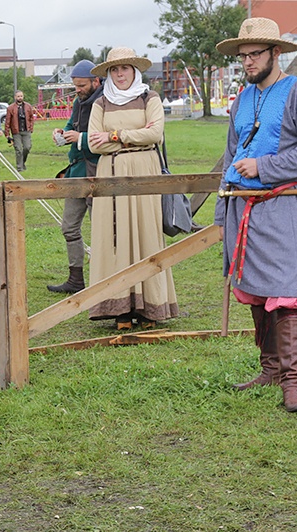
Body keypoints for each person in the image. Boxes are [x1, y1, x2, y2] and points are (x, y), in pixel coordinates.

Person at [214, 18, 297, 412]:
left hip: (282, 207)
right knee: (257, 292)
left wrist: (264, 166)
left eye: (254, 55)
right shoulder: (242, 100)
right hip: (242, 208)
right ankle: (271, 369)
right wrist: (220, 208)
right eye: (243, 56)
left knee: (288, 293)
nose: (247, 63)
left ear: (275, 53)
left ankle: (293, 384)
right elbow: (231, 155)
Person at [87, 47, 178, 330]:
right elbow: (93, 143)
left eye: (124, 68)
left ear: (134, 70)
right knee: (114, 237)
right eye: (114, 70)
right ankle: (120, 309)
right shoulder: (100, 103)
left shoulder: (148, 97)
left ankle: (151, 307)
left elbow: (155, 134)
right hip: (111, 173)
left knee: (145, 232)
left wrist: (115, 135)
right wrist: (134, 139)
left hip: (144, 172)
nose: (119, 74)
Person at [47, 60, 103, 294]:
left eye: (81, 85)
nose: (77, 89)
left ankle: (104, 279)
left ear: (95, 81)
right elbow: (71, 125)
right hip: (76, 172)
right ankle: (76, 279)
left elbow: (105, 138)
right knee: (69, 227)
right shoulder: (79, 102)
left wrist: (80, 137)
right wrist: (61, 133)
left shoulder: (105, 103)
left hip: (97, 173)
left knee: (102, 230)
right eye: (75, 85)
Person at [3, 90, 35, 172]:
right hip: (16, 131)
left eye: (21, 96)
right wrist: (7, 133)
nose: (20, 98)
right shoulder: (10, 108)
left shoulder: (28, 106)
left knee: (27, 147)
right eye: (18, 96)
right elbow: (8, 121)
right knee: (18, 149)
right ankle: (19, 167)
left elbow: (31, 118)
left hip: (26, 130)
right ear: (15, 97)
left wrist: (31, 128)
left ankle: (22, 162)